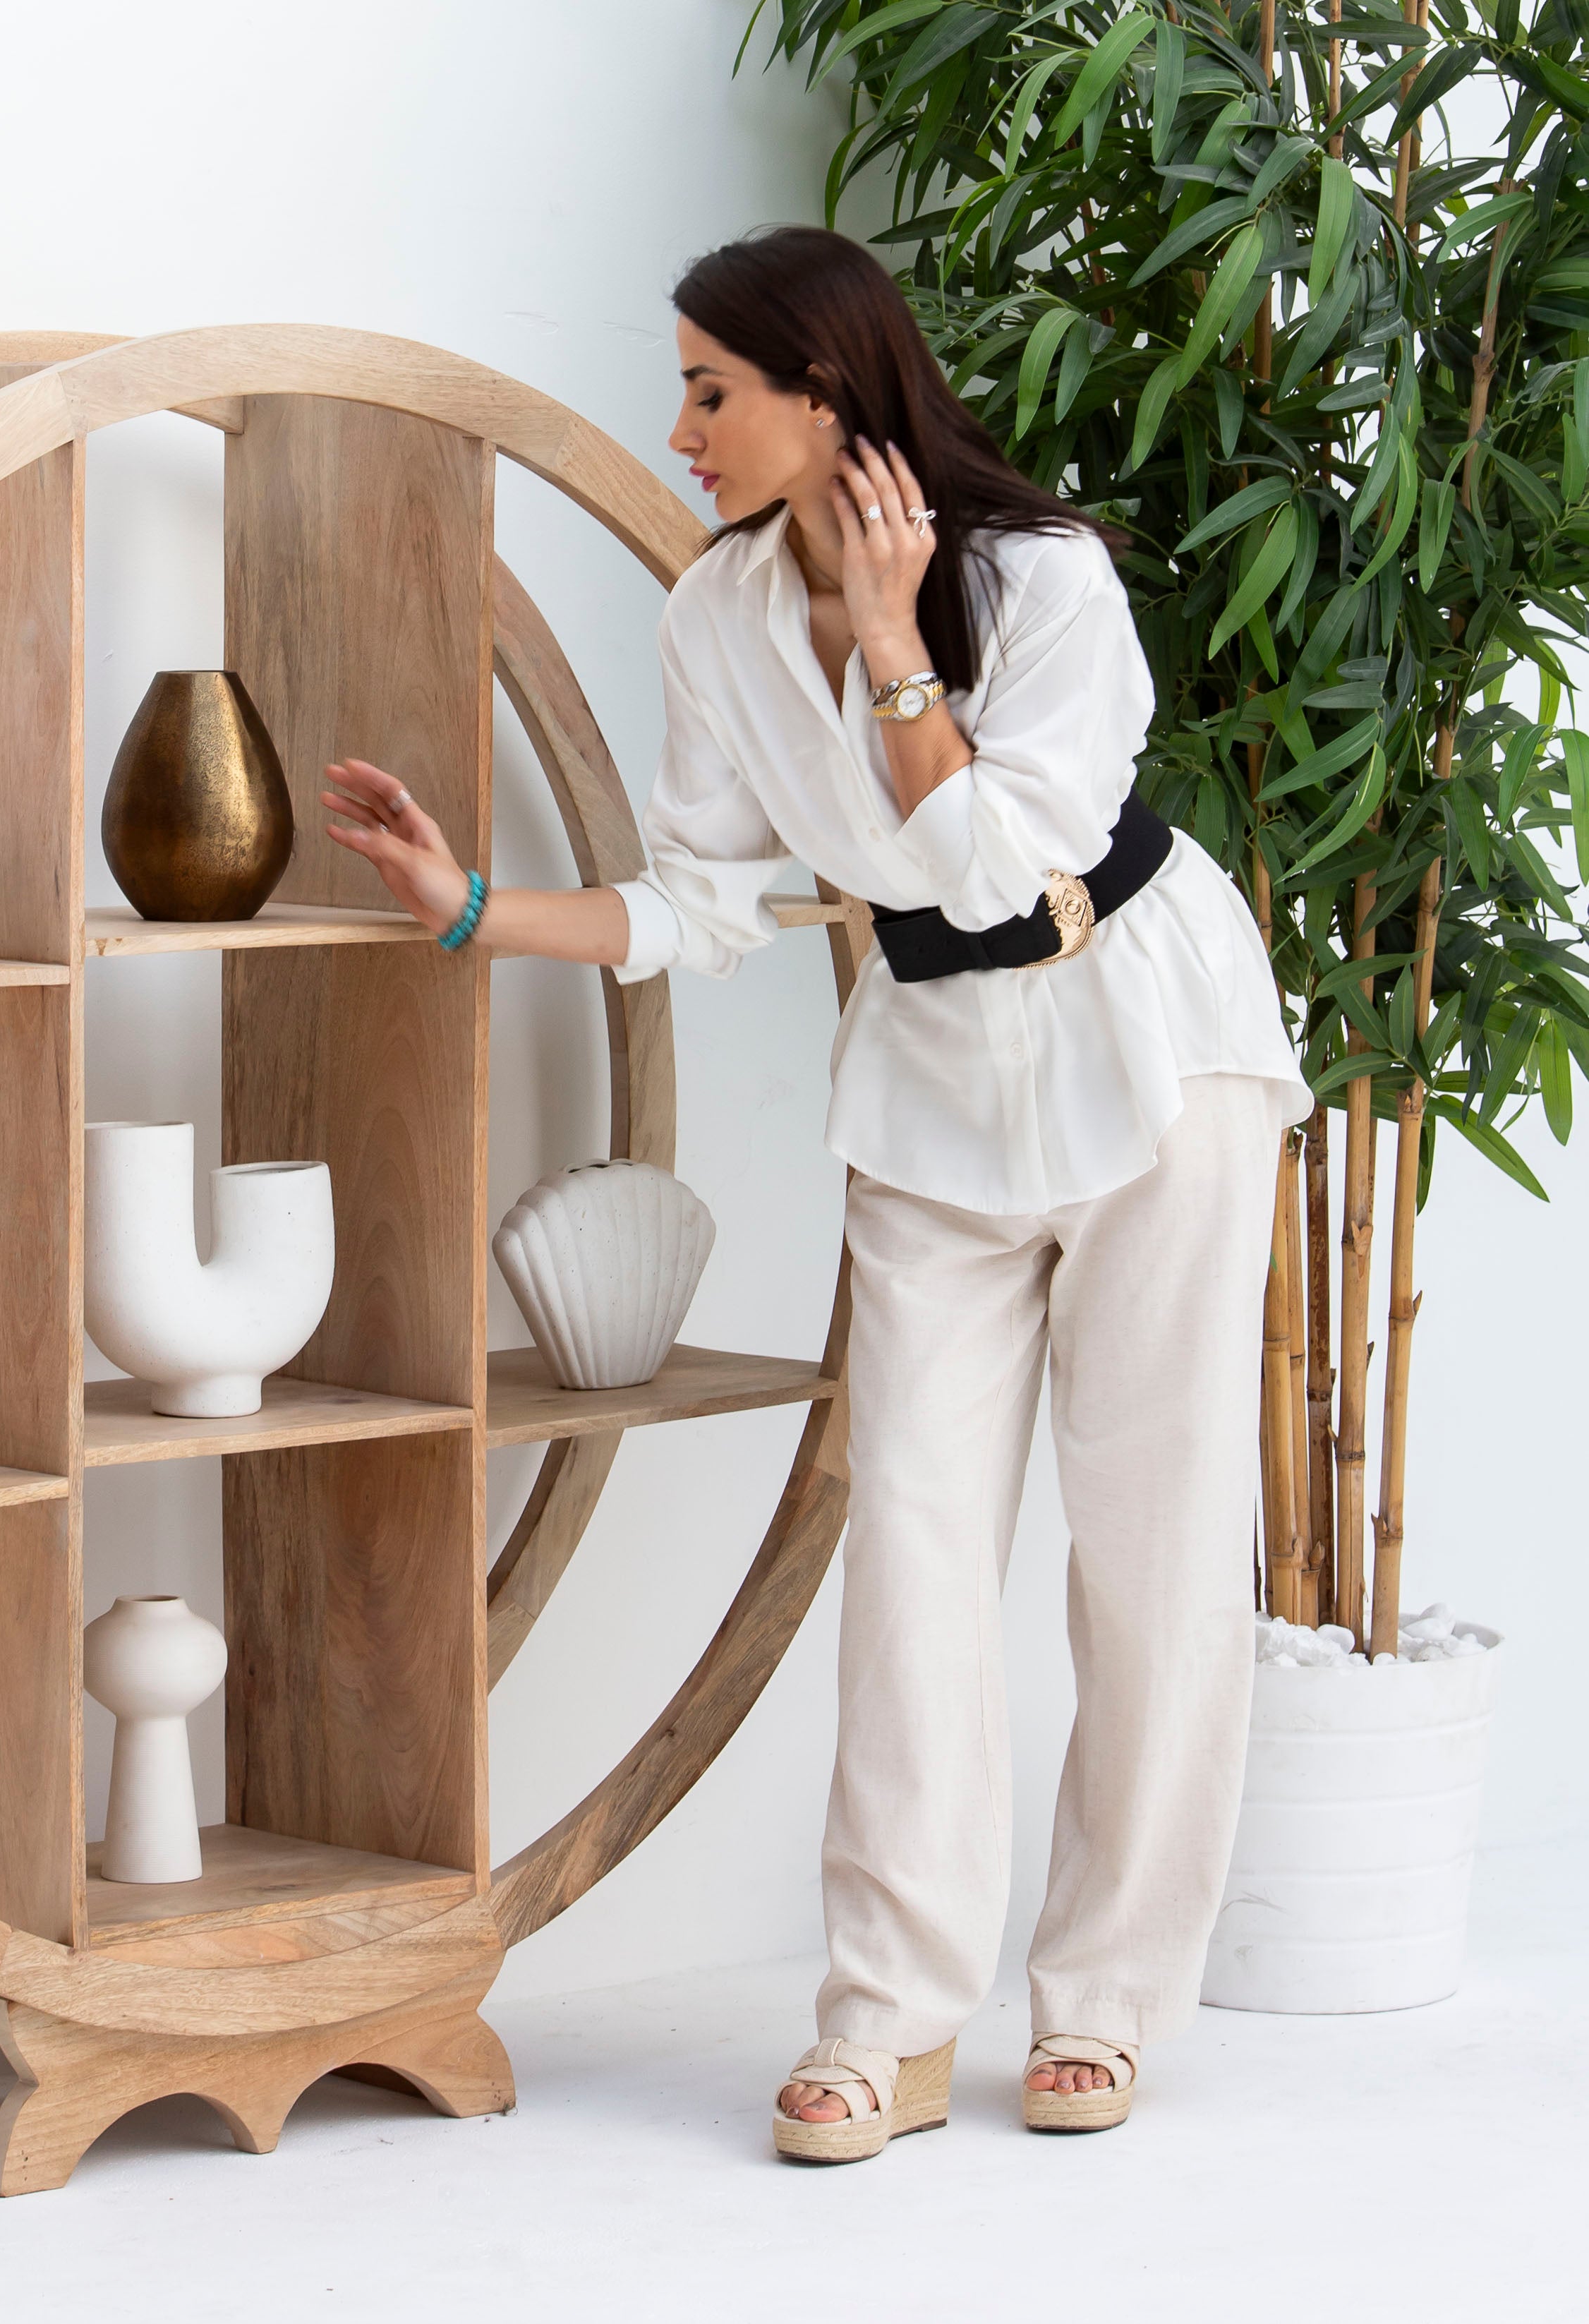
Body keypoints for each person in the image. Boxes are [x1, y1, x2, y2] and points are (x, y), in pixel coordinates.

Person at [320, 225, 1314, 2163]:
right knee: (914, 1549)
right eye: (684, 389)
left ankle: (1106, 2004)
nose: (681, 430)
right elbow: (704, 900)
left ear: (829, 394)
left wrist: (891, 632)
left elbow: (993, 861)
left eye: (712, 391)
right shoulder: (712, 617)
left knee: (1151, 1548)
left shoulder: (1044, 579)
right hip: (933, 1086)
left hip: (1149, 1049)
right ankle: (889, 2017)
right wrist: (467, 907)